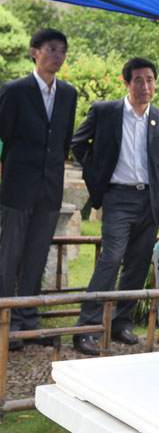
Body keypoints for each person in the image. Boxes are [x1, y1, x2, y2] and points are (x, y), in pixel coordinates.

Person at [71, 57, 159, 355]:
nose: (145, 86)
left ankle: (121, 323)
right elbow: (78, 143)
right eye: (138, 79)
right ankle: (86, 328)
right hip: (117, 198)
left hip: (150, 201)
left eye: (150, 79)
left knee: (137, 264)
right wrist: (96, 173)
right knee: (111, 259)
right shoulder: (105, 112)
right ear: (126, 82)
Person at [0, 28, 77, 351]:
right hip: (16, 189)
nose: (57, 56)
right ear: (34, 52)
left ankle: (28, 319)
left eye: (62, 50)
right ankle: (7, 321)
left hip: (49, 190)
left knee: (36, 256)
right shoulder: (15, 91)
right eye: (51, 49)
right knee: (9, 256)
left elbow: (62, 143)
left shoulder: (69, 94)